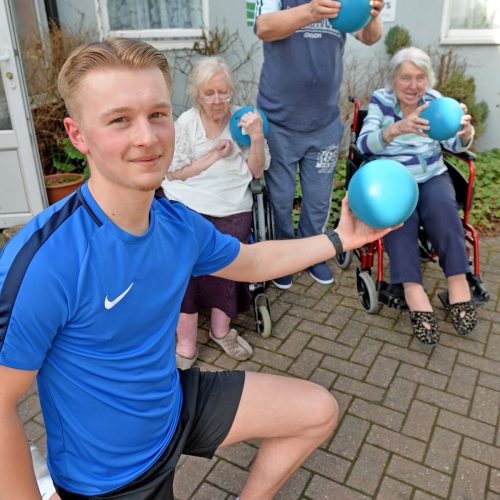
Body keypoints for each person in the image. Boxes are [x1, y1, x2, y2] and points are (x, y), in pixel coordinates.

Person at [0, 38, 395, 499]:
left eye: (157, 114)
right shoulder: (45, 261)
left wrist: (339, 239)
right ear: (78, 135)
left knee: (317, 411)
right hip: (110, 479)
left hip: (174, 408)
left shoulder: (176, 224)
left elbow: (251, 262)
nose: (146, 136)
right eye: (119, 120)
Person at [254, 0, 385, 289]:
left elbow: (369, 36)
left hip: (324, 123)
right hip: (279, 122)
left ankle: (315, 254)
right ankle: (283, 257)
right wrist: (311, 12)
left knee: (317, 199)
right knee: (281, 198)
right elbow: (263, 27)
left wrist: (373, 15)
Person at [356, 46, 477, 345]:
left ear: (428, 79)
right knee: (400, 223)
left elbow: (454, 143)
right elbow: (363, 144)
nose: (413, 85)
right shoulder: (381, 102)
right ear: (393, 79)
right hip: (394, 178)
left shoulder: (435, 101)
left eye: (420, 77)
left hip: (432, 175)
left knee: (446, 214)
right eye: (406, 77)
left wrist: (464, 133)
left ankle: (458, 283)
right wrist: (396, 128)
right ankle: (412, 288)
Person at [162, 56, 270, 369]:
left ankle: (222, 330)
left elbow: (257, 170)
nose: (218, 100)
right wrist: (211, 157)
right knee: (185, 263)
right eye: (209, 93)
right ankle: (186, 341)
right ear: (197, 95)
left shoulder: (244, 121)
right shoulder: (186, 123)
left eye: (224, 92)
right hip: (188, 203)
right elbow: (174, 174)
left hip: (231, 205)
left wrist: (258, 136)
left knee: (231, 258)